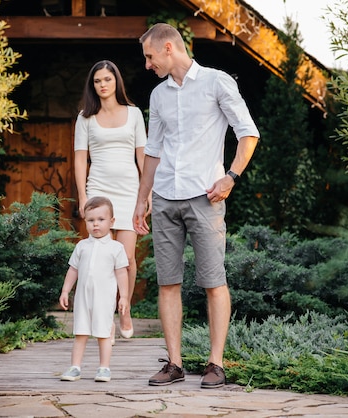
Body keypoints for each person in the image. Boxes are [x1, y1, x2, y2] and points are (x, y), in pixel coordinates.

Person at [132, 23, 260, 388]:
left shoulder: (217, 82)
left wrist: (231, 177)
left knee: (213, 281)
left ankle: (215, 364)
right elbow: (153, 151)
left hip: (206, 197)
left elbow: (248, 133)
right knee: (167, 282)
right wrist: (143, 200)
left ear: (169, 48)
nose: (147, 64)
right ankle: (174, 364)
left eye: (149, 56)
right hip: (166, 198)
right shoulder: (158, 96)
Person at [74, 59, 150, 339]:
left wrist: (147, 193)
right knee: (101, 256)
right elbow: (80, 159)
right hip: (98, 191)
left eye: (107, 79)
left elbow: (143, 156)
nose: (102, 85)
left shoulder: (134, 114)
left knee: (127, 257)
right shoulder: (85, 118)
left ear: (116, 81)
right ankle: (104, 316)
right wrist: (83, 197)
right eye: (97, 81)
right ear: (92, 86)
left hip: (130, 191)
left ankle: (125, 307)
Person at [59, 196, 130, 382]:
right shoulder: (82, 246)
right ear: (85, 222)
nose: (95, 225)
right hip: (83, 298)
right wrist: (66, 290)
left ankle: (104, 368)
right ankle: (75, 367)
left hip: (104, 299)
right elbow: (73, 269)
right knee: (80, 331)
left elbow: (122, 274)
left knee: (103, 332)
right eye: (91, 220)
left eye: (101, 220)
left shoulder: (116, 248)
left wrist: (124, 297)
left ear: (112, 221)